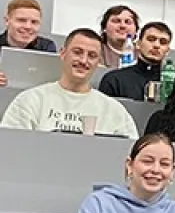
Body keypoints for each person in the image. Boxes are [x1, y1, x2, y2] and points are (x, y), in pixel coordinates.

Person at [0, 28, 137, 137]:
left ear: (99, 62)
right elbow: (10, 146)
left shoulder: (115, 111)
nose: (84, 61)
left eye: (92, 56)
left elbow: (131, 157)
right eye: (77, 52)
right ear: (63, 54)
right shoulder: (30, 100)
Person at [97, 20, 172, 102]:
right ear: (138, 44)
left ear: (167, 51)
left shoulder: (174, 85)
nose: (157, 45)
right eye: (151, 39)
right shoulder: (115, 80)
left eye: (163, 42)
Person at [0, 0, 56, 79]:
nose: (28, 27)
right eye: (21, 20)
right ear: (7, 21)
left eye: (34, 22)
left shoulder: (47, 47)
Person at [97, 3, 139, 70]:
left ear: (136, 29)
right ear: (104, 28)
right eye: (116, 21)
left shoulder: (143, 55)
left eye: (127, 22)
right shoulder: (96, 51)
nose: (122, 26)